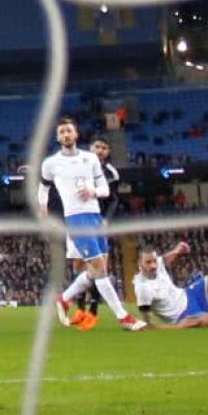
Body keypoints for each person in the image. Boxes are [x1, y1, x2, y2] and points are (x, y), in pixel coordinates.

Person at [45, 118, 146, 331]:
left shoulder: (91, 161)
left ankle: (65, 299)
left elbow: (108, 192)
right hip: (76, 219)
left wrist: (94, 192)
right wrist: (42, 208)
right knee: (94, 268)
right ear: (58, 137)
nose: (65, 135)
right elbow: (43, 186)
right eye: (62, 132)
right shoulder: (52, 163)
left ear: (76, 134)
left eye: (69, 131)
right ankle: (123, 318)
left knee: (96, 270)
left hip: (96, 218)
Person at [75, 134, 121, 322]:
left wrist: (106, 219)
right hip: (78, 219)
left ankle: (93, 309)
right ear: (91, 148)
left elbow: (114, 199)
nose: (100, 150)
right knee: (79, 265)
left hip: (97, 223)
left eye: (104, 147)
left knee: (98, 266)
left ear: (108, 151)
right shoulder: (79, 165)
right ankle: (79, 307)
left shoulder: (112, 173)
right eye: (97, 146)